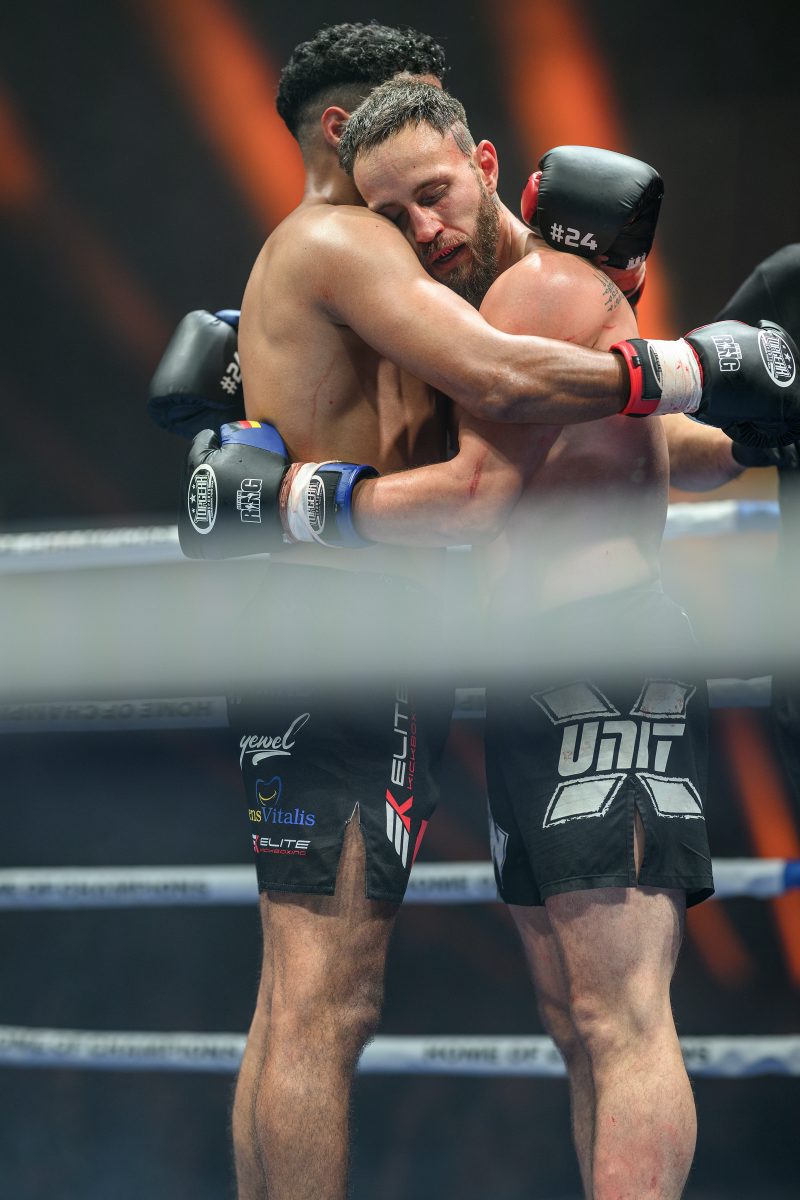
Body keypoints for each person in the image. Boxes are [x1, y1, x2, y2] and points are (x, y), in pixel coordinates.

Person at [191, 81, 800, 1200]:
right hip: (536, 669)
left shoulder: (540, 289)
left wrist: (288, 502)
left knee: (619, 1017)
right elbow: (651, 443)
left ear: (484, 165)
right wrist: (737, 434)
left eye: (434, 195)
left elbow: (475, 498)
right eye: (394, 217)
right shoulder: (490, 307)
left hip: (606, 658)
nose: (422, 230)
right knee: (575, 1015)